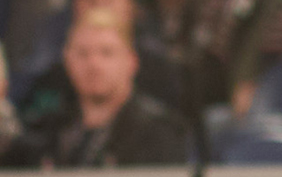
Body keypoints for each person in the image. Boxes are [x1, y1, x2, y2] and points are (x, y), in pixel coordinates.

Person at [7, 11, 189, 168]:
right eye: (83, 53)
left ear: (131, 61)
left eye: (106, 52)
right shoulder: (44, 132)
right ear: (67, 61)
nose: (94, 64)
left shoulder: (160, 133)